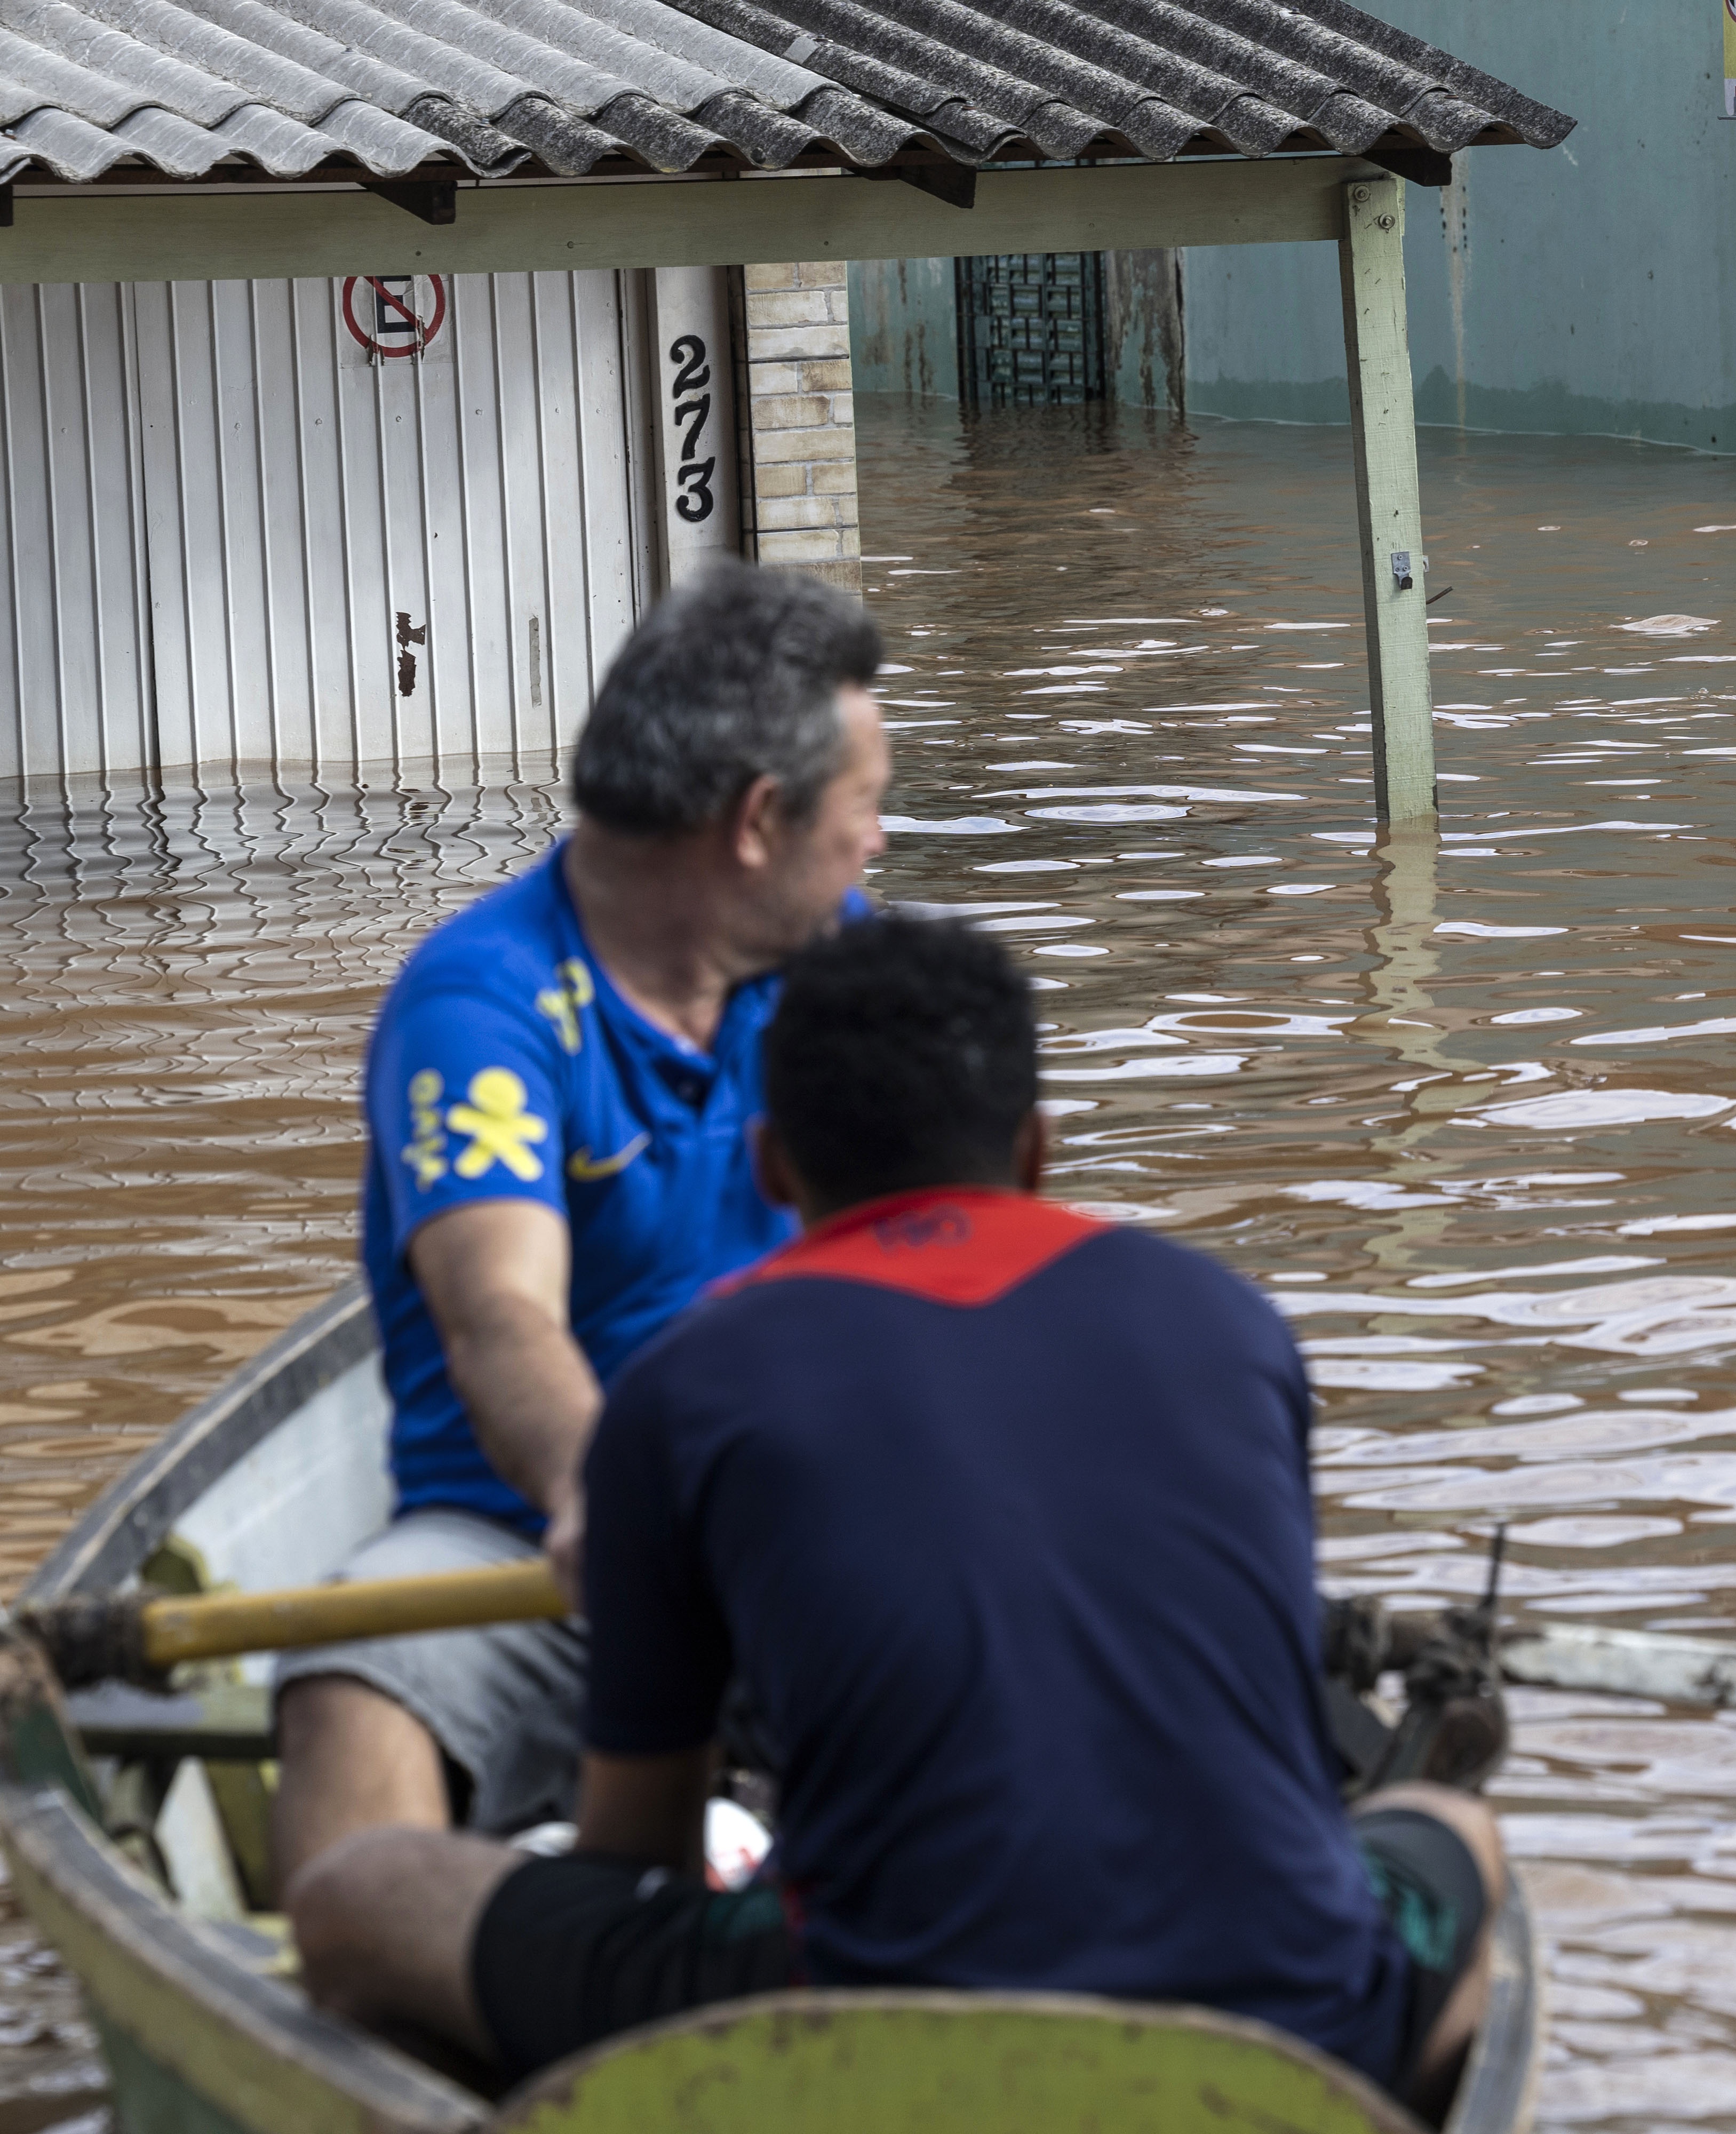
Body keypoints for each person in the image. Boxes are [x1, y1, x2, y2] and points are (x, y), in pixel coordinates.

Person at [288, 918, 1506, 2118]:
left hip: (871, 2009)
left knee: (360, 1891)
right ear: (1036, 1147)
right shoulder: (1232, 1325)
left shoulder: (686, 1384)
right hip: (1294, 2012)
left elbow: (636, 1853)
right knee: (1455, 1834)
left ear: (772, 1166)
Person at [272, 564, 890, 1895]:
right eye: (865, 812)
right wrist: (611, 1505)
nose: (876, 847)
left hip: (804, 1519)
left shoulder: (844, 960)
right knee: (346, 1692)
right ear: (758, 821)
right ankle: (372, 2040)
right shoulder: (484, 1006)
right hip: (529, 1544)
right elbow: (503, 1316)